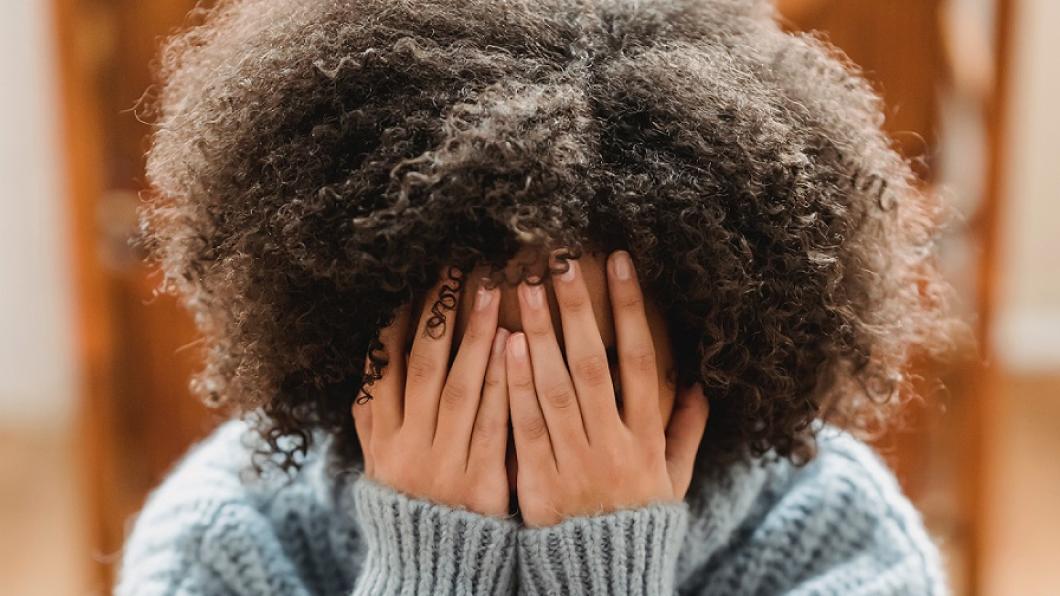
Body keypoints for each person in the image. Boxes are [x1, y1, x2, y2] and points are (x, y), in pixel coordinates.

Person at [116, 0, 962, 593]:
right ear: (353, 351)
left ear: (709, 355)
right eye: (459, 362)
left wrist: (607, 571)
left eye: (592, 364)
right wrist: (424, 572)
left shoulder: (836, 542)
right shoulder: (227, 539)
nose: (535, 403)